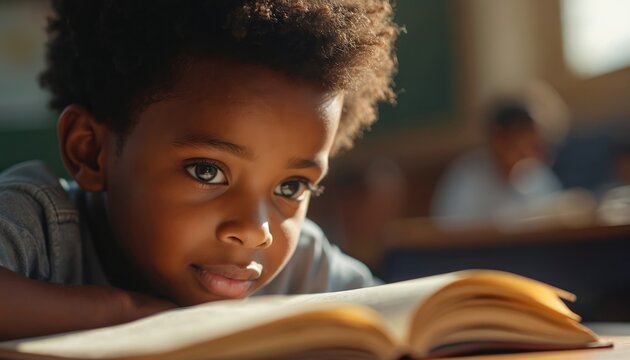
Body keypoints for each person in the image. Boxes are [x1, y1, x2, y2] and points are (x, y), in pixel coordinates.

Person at [0, 0, 399, 340]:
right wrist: (125, 315)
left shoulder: (302, 266)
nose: (254, 231)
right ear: (90, 151)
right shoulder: (39, 226)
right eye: (207, 171)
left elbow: (397, 318)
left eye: (291, 187)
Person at [431, 84, 572, 230]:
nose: (540, 157)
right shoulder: (467, 176)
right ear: (499, 139)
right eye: (531, 146)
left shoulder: (537, 177)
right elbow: (449, 232)